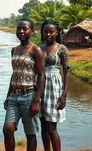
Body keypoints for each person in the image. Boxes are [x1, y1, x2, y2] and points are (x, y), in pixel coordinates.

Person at [3, 18, 45, 151]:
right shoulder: (14, 50)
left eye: (25, 29)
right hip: (14, 96)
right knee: (8, 128)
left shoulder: (36, 50)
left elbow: (41, 75)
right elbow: (14, 74)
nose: (21, 31)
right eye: (19, 28)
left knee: (30, 133)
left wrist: (36, 100)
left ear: (31, 31)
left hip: (29, 95)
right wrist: (8, 95)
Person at [39, 20, 71, 151]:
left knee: (52, 127)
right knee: (43, 125)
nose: (48, 34)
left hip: (54, 88)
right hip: (40, 86)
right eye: (46, 31)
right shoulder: (39, 48)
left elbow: (67, 71)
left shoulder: (62, 48)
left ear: (57, 32)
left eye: (51, 31)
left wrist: (64, 94)